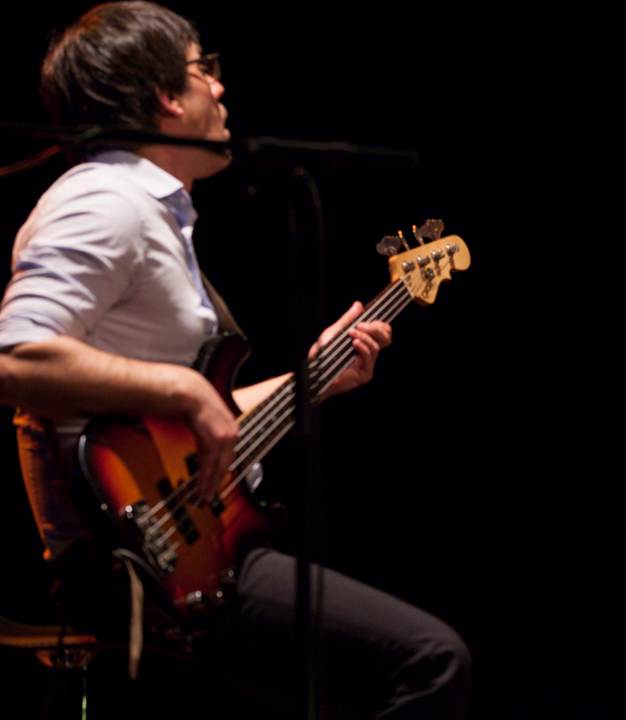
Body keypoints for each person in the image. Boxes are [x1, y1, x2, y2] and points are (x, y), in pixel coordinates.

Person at [0, 3, 469, 718]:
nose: (220, 89)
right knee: (430, 661)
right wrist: (187, 391)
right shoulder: (104, 202)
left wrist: (312, 380)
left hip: (180, 541)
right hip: (140, 562)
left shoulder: (149, 212)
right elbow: (14, 358)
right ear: (163, 93)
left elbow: (176, 427)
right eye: (202, 69)